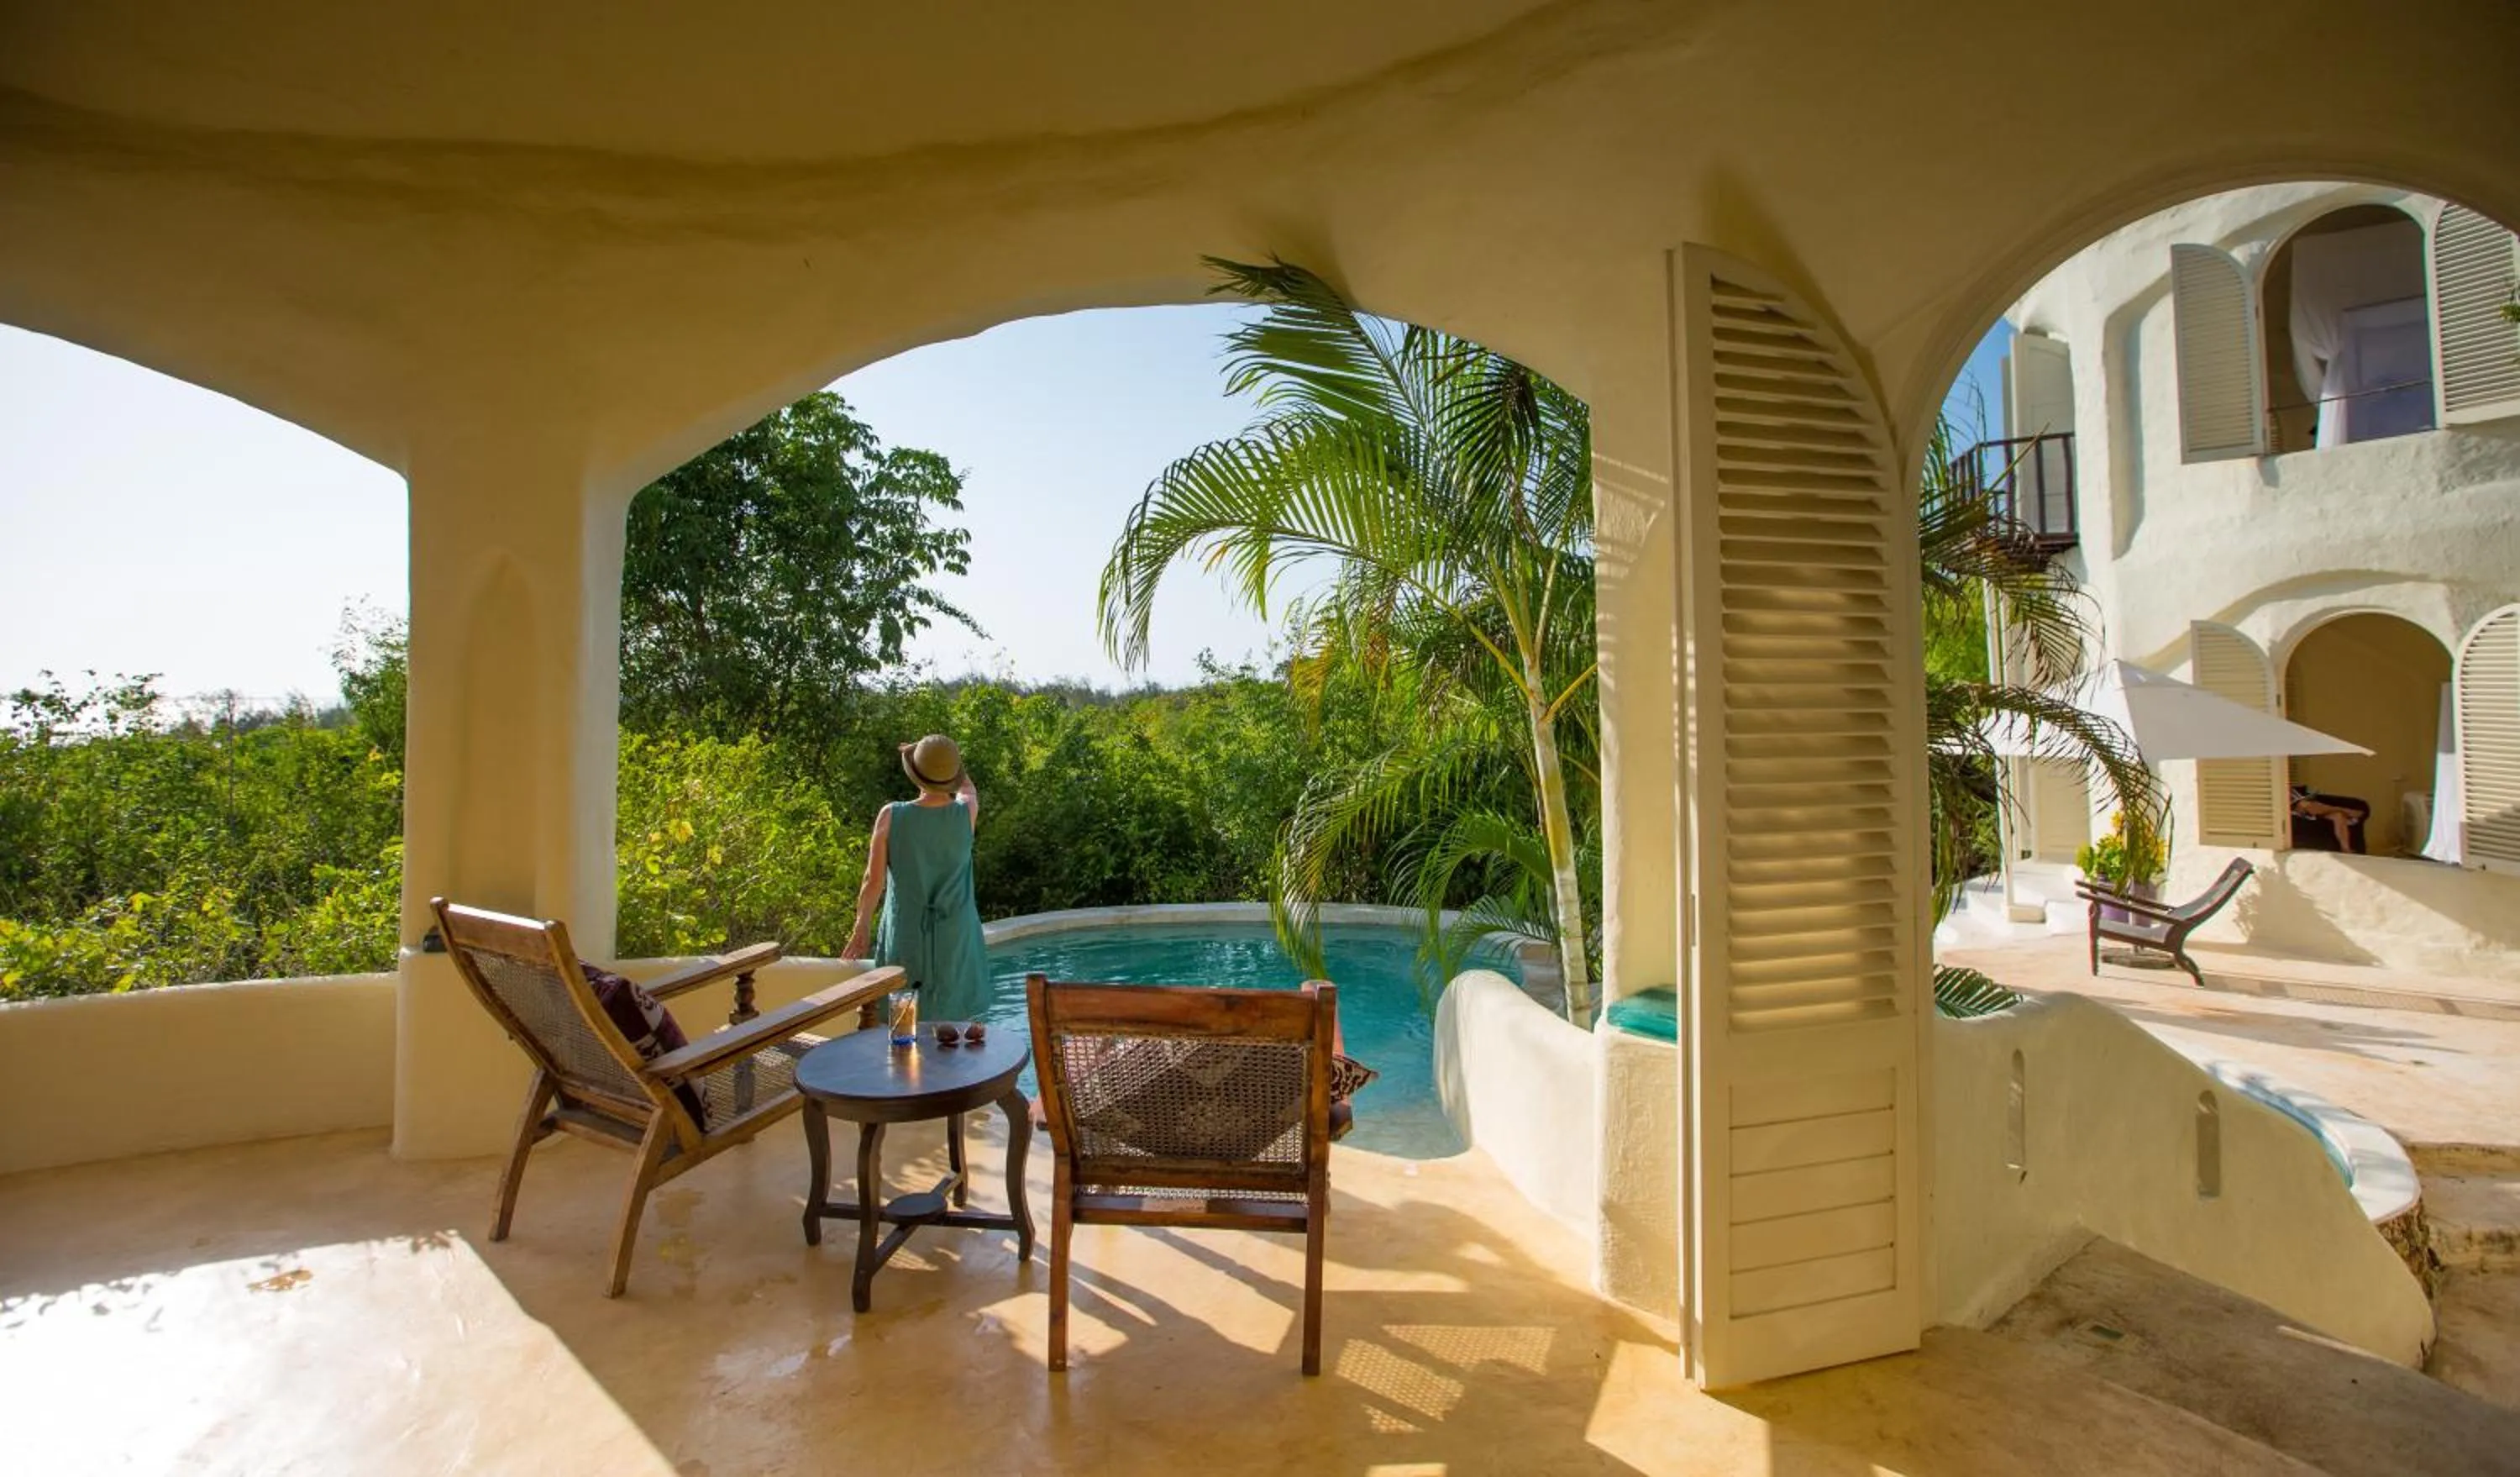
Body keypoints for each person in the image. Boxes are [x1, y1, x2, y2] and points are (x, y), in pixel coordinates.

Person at [844, 735, 991, 1024]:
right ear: (952, 775)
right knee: (956, 1026)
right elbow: (968, 788)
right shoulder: (966, 812)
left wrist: (861, 928)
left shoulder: (891, 816)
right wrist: (946, 762)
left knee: (904, 1020)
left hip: (907, 930)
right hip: (956, 933)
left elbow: (873, 881)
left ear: (915, 774)